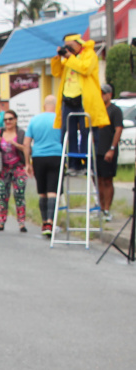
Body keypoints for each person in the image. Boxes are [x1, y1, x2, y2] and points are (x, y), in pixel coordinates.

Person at [51, 33, 109, 175]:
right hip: (68, 100)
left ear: (78, 44)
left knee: (86, 132)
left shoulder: (89, 54)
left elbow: (85, 69)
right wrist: (58, 58)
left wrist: (70, 57)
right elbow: (56, 72)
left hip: (84, 100)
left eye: (70, 46)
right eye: (66, 47)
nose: (68, 49)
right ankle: (72, 164)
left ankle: (86, 163)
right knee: (68, 132)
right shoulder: (68, 58)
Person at [24, 95, 63, 236]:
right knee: (53, 190)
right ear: (56, 105)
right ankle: (50, 222)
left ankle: (44, 222)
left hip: (38, 157)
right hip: (56, 155)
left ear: (44, 105)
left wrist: (27, 163)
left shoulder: (34, 120)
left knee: (42, 191)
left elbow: (26, 143)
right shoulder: (60, 120)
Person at [0, 110, 29, 232]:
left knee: (19, 194)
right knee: (3, 195)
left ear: (15, 120)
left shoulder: (21, 133)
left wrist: (16, 144)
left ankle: (21, 223)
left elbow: (26, 149)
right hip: (4, 168)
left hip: (18, 167)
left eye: (10, 119)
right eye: (5, 120)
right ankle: (1, 222)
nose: (8, 122)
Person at [95, 84, 123, 222]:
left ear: (109, 95)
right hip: (97, 150)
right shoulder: (97, 110)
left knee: (107, 180)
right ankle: (100, 207)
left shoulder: (115, 110)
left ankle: (107, 208)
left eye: (104, 93)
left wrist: (112, 148)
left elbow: (118, 129)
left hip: (108, 150)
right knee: (98, 180)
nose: (101, 96)